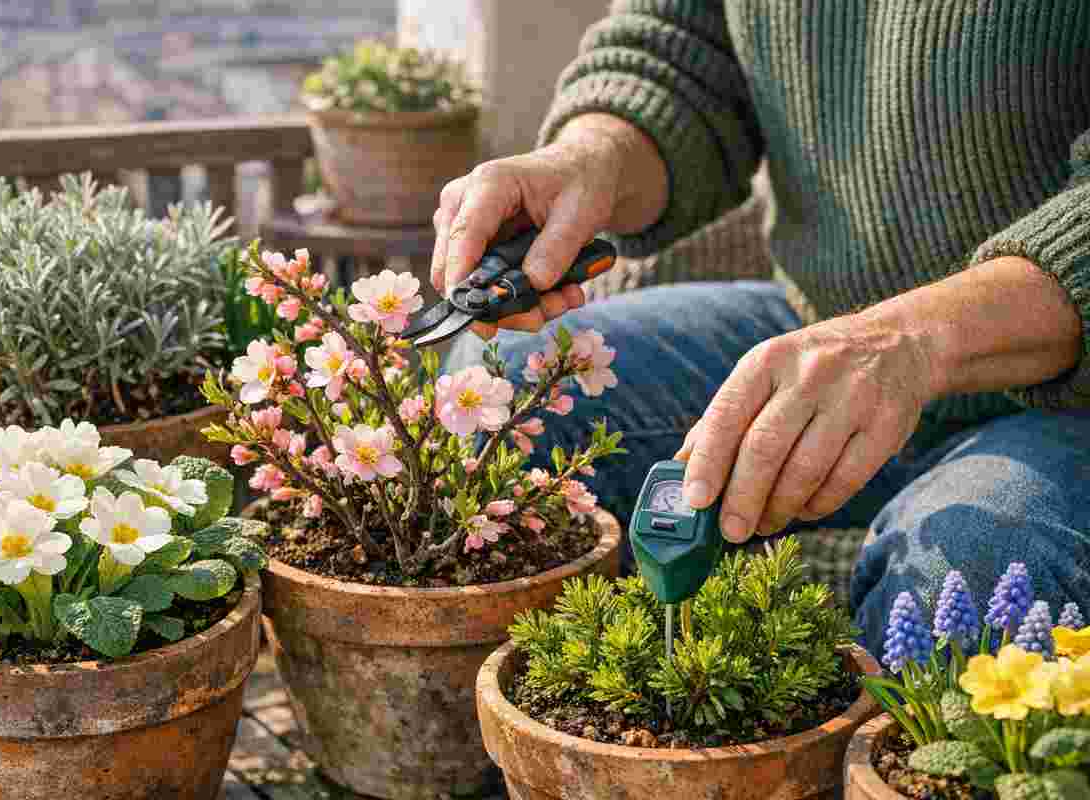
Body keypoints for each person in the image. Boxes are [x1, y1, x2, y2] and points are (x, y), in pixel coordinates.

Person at [435, 1, 1090, 659]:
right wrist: (591, 157)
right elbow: (685, 51)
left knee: (967, 591)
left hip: (1064, 390)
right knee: (500, 393)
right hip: (822, 322)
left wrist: (912, 342)